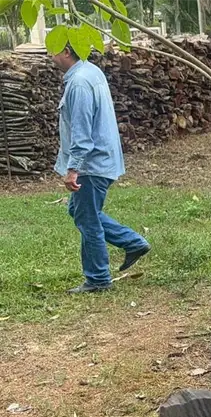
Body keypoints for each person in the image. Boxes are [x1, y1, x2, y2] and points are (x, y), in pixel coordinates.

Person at [52, 45, 151, 294]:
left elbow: (82, 130)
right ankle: (133, 242)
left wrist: (73, 168)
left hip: (91, 163)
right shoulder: (90, 72)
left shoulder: (79, 83)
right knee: (79, 210)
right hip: (101, 160)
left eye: (51, 50)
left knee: (87, 218)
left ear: (66, 51)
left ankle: (97, 278)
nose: (48, 55)